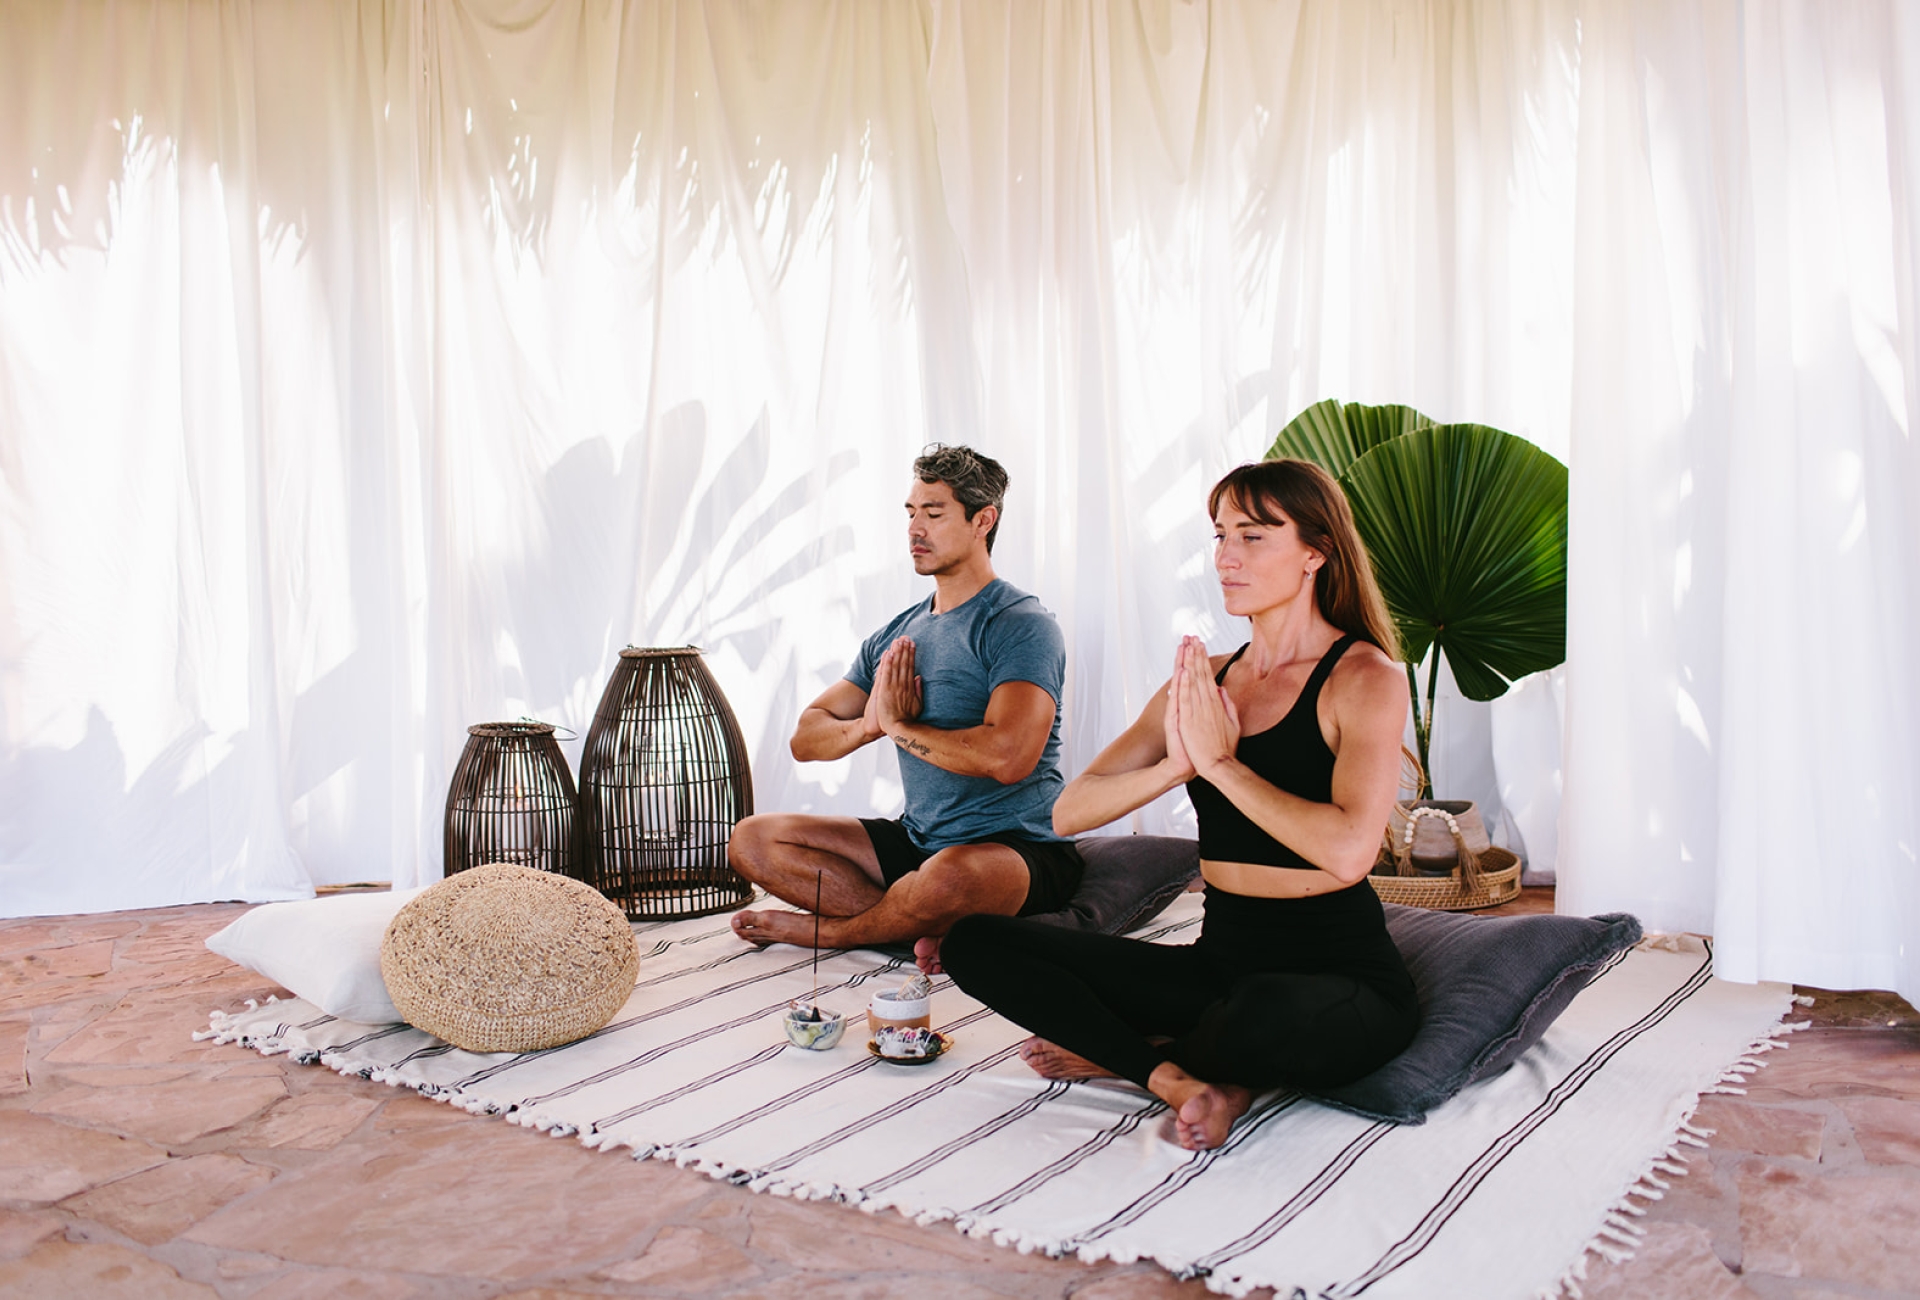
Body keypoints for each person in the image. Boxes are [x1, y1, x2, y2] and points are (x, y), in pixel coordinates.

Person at [940, 459, 1419, 1151]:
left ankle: (1132, 1056)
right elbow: (1068, 813)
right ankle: (1173, 1076)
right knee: (974, 941)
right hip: (1217, 962)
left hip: (1335, 976)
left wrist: (1221, 765)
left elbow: (1349, 852)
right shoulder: (1203, 684)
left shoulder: (1363, 676)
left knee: (1267, 1012)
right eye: (1220, 537)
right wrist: (1178, 765)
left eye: (1253, 537)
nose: (1226, 558)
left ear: (1316, 551)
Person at [728, 445, 1084, 972]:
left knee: (951, 878)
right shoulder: (898, 633)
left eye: (935, 514)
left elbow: (1009, 757)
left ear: (982, 520)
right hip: (919, 840)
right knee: (752, 840)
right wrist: (872, 725)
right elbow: (807, 738)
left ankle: (834, 934)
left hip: (1016, 850)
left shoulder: (1020, 625)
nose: (916, 529)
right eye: (911, 513)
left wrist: (900, 726)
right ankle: (917, 923)